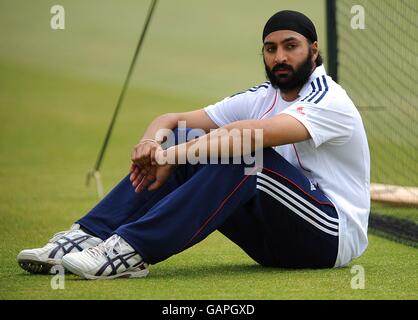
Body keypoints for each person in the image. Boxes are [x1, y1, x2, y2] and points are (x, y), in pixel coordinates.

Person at [17, 10, 370, 280]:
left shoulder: (330, 100)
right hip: (273, 241)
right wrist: (150, 144)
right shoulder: (263, 96)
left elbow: (249, 137)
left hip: (329, 236)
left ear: (313, 48)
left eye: (290, 46)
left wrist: (169, 156)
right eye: (270, 48)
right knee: (189, 139)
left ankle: (129, 250)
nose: (279, 57)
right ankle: (87, 235)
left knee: (244, 154)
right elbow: (171, 120)